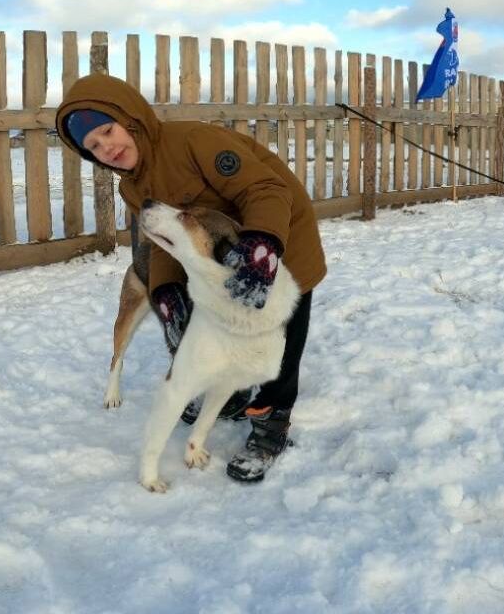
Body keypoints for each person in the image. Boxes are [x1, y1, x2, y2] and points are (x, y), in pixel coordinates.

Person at [57, 72, 327, 482]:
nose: (106, 147)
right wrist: (164, 289)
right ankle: (233, 393)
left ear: (131, 120)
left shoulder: (192, 142)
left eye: (108, 131)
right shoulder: (132, 185)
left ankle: (271, 421)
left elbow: (267, 190)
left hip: (281, 244)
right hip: (218, 257)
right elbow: (161, 242)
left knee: (277, 345)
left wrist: (262, 248)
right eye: (93, 146)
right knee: (224, 330)